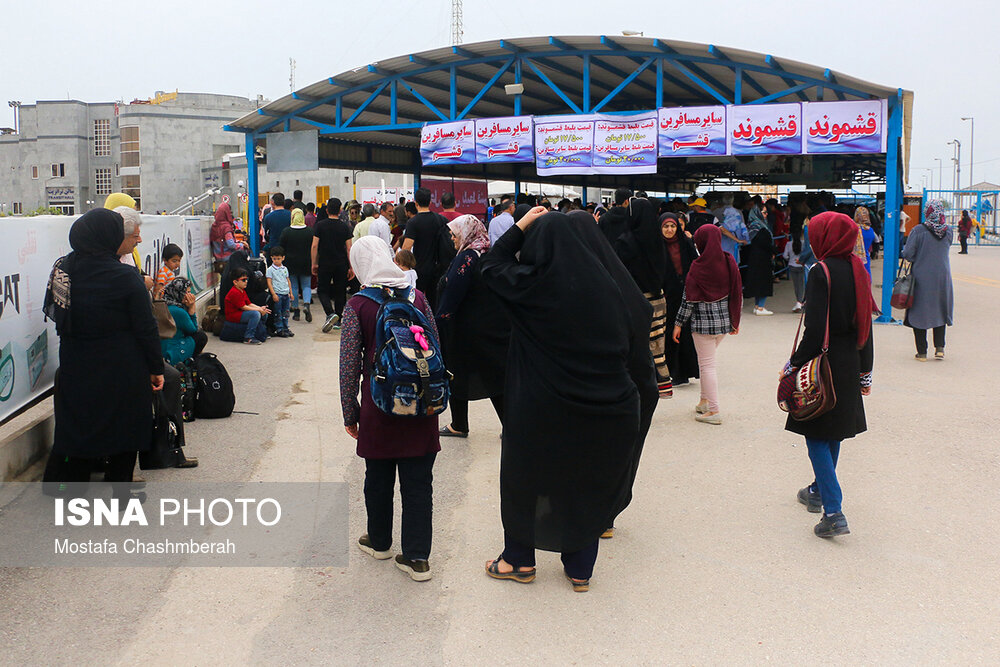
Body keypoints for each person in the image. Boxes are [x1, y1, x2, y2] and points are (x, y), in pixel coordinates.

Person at [479, 207, 658, 592]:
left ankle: (518, 560)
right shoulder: (613, 289)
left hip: (541, 406)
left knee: (524, 478)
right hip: (609, 406)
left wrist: (521, 225)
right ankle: (580, 570)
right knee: (586, 479)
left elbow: (491, 265)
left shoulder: (531, 287)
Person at [340, 236, 442, 582]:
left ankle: (380, 541)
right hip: (421, 407)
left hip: (379, 407)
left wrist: (349, 413)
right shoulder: (419, 298)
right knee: (419, 483)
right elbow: (435, 352)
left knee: (378, 476)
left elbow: (348, 366)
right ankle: (417, 558)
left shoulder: (357, 305)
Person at [41, 209, 164, 490]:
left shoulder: (63, 269)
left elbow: (58, 315)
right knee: (126, 425)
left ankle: (73, 491)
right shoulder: (125, 277)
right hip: (122, 366)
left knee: (80, 425)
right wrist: (155, 368)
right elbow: (146, 329)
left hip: (77, 363)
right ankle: (120, 490)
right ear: (109, 237)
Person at [783, 212, 875, 538]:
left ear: (825, 237)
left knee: (816, 435)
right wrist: (866, 371)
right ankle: (819, 491)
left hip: (824, 363)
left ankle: (833, 511)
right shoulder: (858, 270)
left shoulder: (820, 271)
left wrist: (793, 364)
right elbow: (867, 325)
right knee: (833, 431)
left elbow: (814, 328)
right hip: (849, 362)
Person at [435, 214, 510, 438]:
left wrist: (439, 322)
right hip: (486, 326)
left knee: (455, 372)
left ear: (466, 233)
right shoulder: (486, 254)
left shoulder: (467, 258)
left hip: (465, 329)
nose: (452, 238)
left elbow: (453, 294)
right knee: (492, 377)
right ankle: (510, 425)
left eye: (455, 233)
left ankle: (459, 424)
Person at [672, 225, 742, 425]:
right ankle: (704, 401)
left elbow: (688, 300)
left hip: (702, 326)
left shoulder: (698, 266)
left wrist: (678, 323)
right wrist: (735, 320)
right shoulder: (728, 260)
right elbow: (737, 291)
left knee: (707, 365)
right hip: (724, 325)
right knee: (706, 363)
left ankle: (714, 410)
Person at [615, 198, 672, 398]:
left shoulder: (626, 241)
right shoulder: (658, 239)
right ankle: (662, 385)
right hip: (658, 298)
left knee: (637, 345)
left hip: (636, 300)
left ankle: (639, 388)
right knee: (657, 343)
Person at [901, 200, 954, 361]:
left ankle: (922, 352)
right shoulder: (949, 231)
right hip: (942, 277)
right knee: (940, 308)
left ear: (927, 212)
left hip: (922, 277)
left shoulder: (918, 230)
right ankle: (939, 348)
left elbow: (908, 254)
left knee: (919, 310)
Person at [660, 213, 699, 386]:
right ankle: (670, 371)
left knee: (685, 333)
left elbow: (695, 265)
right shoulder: (656, 245)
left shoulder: (686, 243)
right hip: (667, 296)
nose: (669, 230)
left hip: (686, 294)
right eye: (665, 227)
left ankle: (685, 371)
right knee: (669, 333)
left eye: (673, 226)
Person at [401, 188, 448, 307]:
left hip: (420, 268)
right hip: (438, 268)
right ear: (430, 202)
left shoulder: (413, 222)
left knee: (418, 300)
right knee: (435, 301)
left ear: (416, 203)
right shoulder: (441, 219)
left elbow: (406, 247)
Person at [313, 198, 354, 332]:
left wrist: (314, 263)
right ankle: (338, 320)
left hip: (324, 262)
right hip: (341, 263)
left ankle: (330, 313)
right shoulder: (345, 227)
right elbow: (349, 248)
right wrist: (351, 266)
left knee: (322, 290)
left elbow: (314, 246)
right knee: (340, 291)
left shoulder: (319, 225)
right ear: (340, 210)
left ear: (326, 210)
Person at [160, 277, 208, 365]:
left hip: (162, 349)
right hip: (171, 353)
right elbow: (193, 330)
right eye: (188, 292)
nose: (190, 296)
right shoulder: (178, 311)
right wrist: (192, 309)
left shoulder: (163, 304)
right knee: (201, 336)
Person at [279, 208, 315, 323]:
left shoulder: (286, 231)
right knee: (306, 285)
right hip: (306, 262)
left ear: (293, 217)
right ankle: (307, 305)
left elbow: (281, 247)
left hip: (290, 263)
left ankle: (296, 311)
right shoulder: (310, 231)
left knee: (293, 286)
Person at [222, 268, 270, 344]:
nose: (246, 282)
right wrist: (258, 310)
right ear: (235, 282)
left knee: (264, 313)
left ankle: (262, 332)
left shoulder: (242, 290)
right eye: (243, 280)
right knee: (255, 314)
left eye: (247, 279)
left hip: (241, 313)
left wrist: (260, 308)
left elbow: (249, 303)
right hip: (234, 315)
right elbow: (243, 307)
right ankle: (248, 337)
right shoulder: (234, 292)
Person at [743, 207, 776, 316]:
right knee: (764, 282)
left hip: (755, 258)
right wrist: (774, 250)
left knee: (758, 282)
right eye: (764, 212)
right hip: (763, 259)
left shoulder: (753, 226)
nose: (766, 214)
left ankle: (757, 306)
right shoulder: (761, 228)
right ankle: (760, 307)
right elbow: (765, 244)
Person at [266, 246, 293, 337]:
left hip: (286, 293)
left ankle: (286, 328)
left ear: (283, 258)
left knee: (286, 312)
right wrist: (273, 294)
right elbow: (269, 282)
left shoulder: (285, 269)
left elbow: (287, 280)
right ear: (271, 258)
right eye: (274, 259)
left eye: (278, 258)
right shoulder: (270, 270)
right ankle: (279, 329)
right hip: (278, 293)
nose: (276, 261)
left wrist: (291, 292)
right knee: (278, 312)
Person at [719, 194, 749, 264]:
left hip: (722, 249)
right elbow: (744, 232)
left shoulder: (717, 211)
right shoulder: (739, 214)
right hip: (735, 248)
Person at [262, 193, 291, 260]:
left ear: (273, 202)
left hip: (273, 247)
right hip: (287, 248)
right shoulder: (291, 215)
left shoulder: (268, 217)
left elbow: (266, 232)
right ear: (284, 202)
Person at [783, 229, 806, 312]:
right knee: (801, 285)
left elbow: (785, 255)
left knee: (796, 285)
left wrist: (789, 259)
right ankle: (800, 302)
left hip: (792, 265)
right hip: (801, 265)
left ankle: (798, 301)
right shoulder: (803, 243)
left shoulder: (788, 244)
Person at [854, 206, 878, 275]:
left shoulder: (854, 228)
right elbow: (877, 240)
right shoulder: (870, 230)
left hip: (855, 259)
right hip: (866, 258)